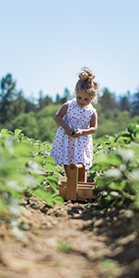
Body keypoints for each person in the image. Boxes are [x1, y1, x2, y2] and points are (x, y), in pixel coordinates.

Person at [50, 68, 99, 199]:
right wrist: (66, 127)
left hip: (81, 141)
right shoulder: (69, 105)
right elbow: (57, 117)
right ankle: (71, 188)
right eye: (79, 97)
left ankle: (82, 190)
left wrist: (82, 131)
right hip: (67, 138)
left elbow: (94, 128)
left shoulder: (92, 111)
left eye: (86, 99)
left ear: (93, 97)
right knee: (68, 161)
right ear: (75, 93)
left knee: (82, 164)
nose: (82, 101)